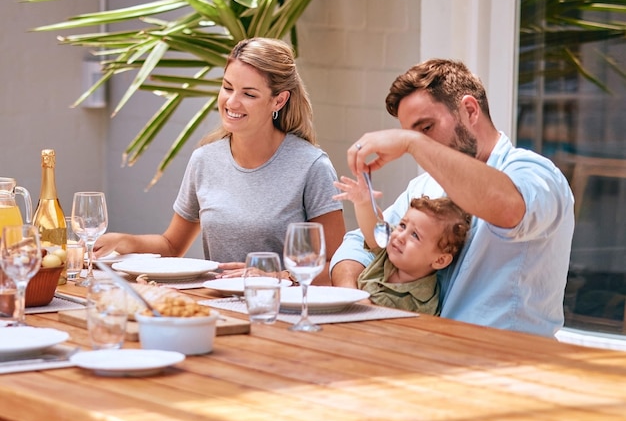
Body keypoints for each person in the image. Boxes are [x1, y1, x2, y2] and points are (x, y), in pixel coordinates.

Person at [330, 58, 575, 337]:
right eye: (410, 134)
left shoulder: (536, 173)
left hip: (506, 362)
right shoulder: (426, 185)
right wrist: (353, 298)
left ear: (470, 110)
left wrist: (413, 143)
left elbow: (508, 210)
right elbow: (363, 244)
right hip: (430, 353)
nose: (417, 148)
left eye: (426, 128)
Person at [95, 37, 346, 284]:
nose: (232, 102)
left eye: (249, 94)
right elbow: (171, 246)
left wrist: (277, 277)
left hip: (284, 311)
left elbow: (338, 265)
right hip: (220, 306)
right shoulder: (205, 160)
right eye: (227, 87)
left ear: (278, 100)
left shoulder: (311, 166)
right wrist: (124, 241)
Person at [333, 172, 470, 313]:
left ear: (440, 260)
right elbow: (375, 227)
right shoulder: (387, 255)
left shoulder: (423, 305)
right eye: (403, 225)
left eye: (415, 235)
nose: (400, 236)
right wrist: (363, 203)